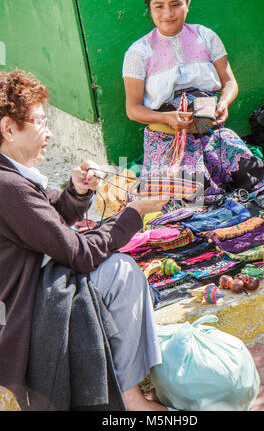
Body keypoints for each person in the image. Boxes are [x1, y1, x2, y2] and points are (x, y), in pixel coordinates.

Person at [0, 69, 169, 411]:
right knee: (121, 272)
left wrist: (76, 192)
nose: (48, 133)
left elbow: (44, 221)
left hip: (26, 291)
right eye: (40, 122)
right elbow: (77, 253)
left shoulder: (12, 178)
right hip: (26, 307)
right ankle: (131, 396)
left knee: (113, 268)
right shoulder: (10, 187)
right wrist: (134, 213)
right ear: (8, 129)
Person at [123, 0, 264, 199]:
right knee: (192, 191)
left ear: (187, 4)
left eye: (175, 4)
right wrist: (167, 118)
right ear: (149, 9)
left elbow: (229, 82)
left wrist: (224, 103)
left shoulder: (205, 36)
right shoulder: (138, 52)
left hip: (209, 133)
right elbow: (133, 109)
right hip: (168, 138)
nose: (167, 13)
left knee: (249, 172)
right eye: (158, 6)